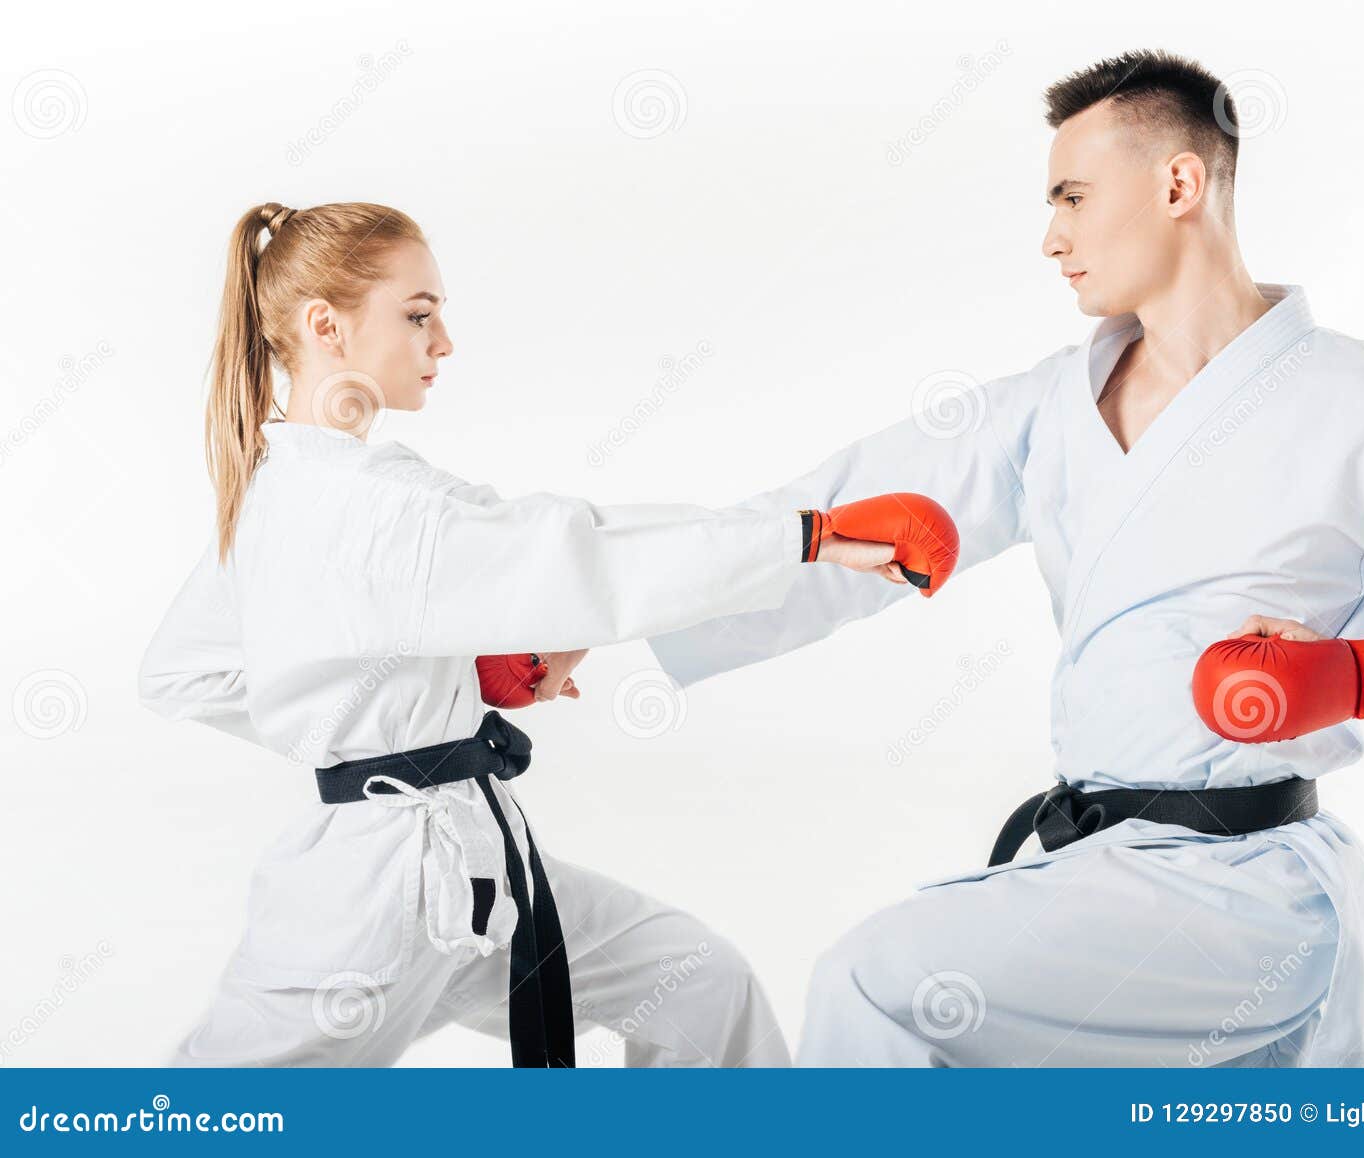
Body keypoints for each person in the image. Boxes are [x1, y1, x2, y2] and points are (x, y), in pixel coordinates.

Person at [648, 50, 1364, 1066]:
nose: (1051, 238)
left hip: (1249, 893)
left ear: (1178, 184)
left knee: (878, 986)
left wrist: (1362, 677)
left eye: (1072, 196)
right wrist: (606, 616)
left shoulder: (1363, 412)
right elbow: (837, 519)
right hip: (1104, 876)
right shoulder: (1048, 409)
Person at [138, 200, 954, 1067]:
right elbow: (585, 561)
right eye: (418, 316)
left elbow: (180, 671)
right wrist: (808, 538)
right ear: (326, 327)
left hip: (474, 866)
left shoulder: (311, 488)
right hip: (378, 891)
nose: (443, 342)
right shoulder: (363, 507)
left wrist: (411, 696)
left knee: (697, 983)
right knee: (212, 1109)